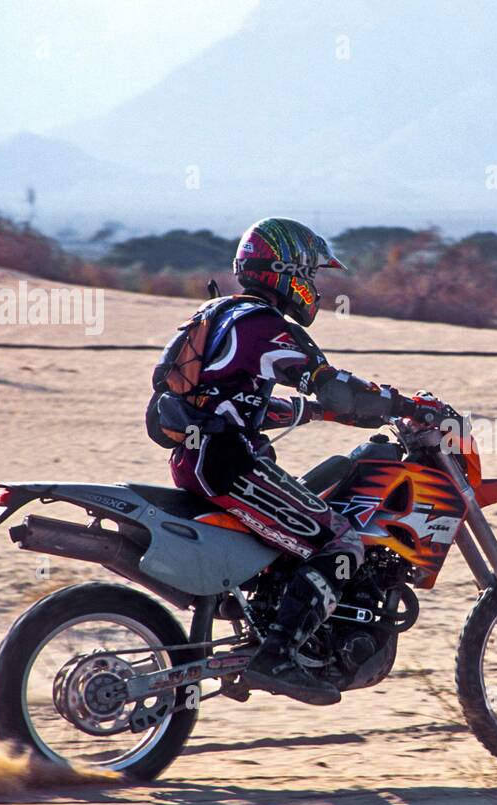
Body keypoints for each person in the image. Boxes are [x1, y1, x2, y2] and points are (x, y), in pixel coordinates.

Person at [145, 217, 437, 704]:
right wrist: (403, 405)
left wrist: (320, 414)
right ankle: (276, 655)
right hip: (229, 464)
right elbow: (335, 386)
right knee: (340, 541)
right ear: (285, 272)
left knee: (307, 523)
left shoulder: (221, 314)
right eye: (312, 277)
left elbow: (239, 400)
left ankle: (274, 622)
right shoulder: (265, 326)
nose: (316, 290)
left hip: (200, 457)